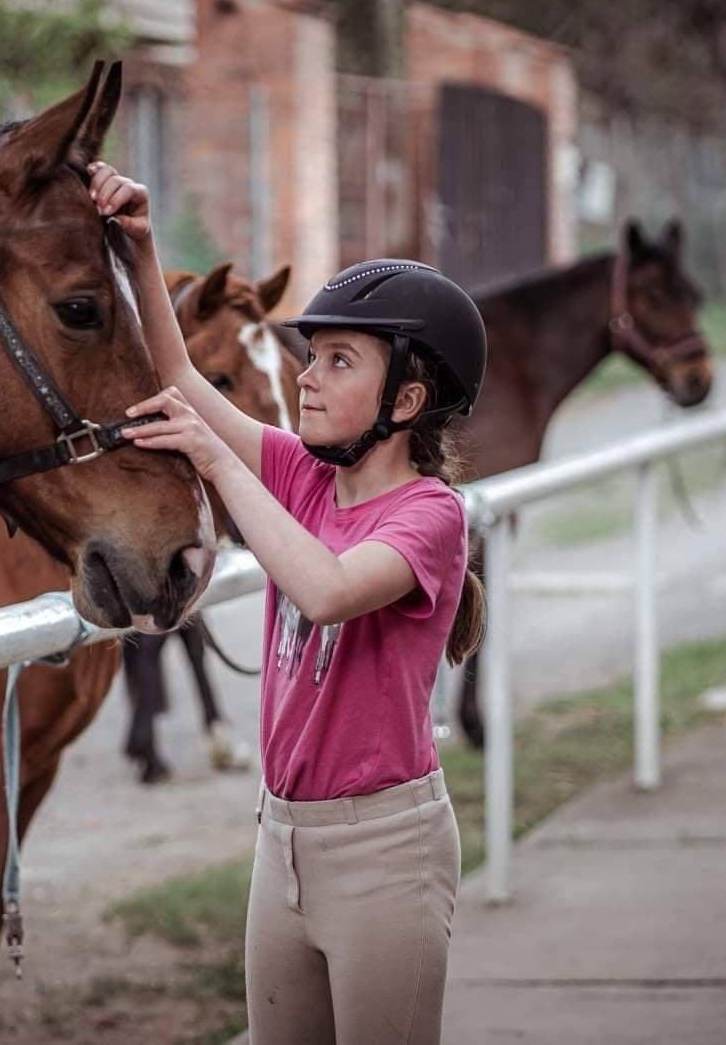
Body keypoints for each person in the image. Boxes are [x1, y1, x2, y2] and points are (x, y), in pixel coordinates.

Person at [89, 163, 486, 1044]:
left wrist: (219, 461)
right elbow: (181, 375)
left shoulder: (430, 515)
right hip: (283, 838)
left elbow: (328, 589)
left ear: (407, 399)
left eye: (339, 360)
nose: (307, 377)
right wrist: (141, 247)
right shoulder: (307, 475)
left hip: (386, 849)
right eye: (311, 355)